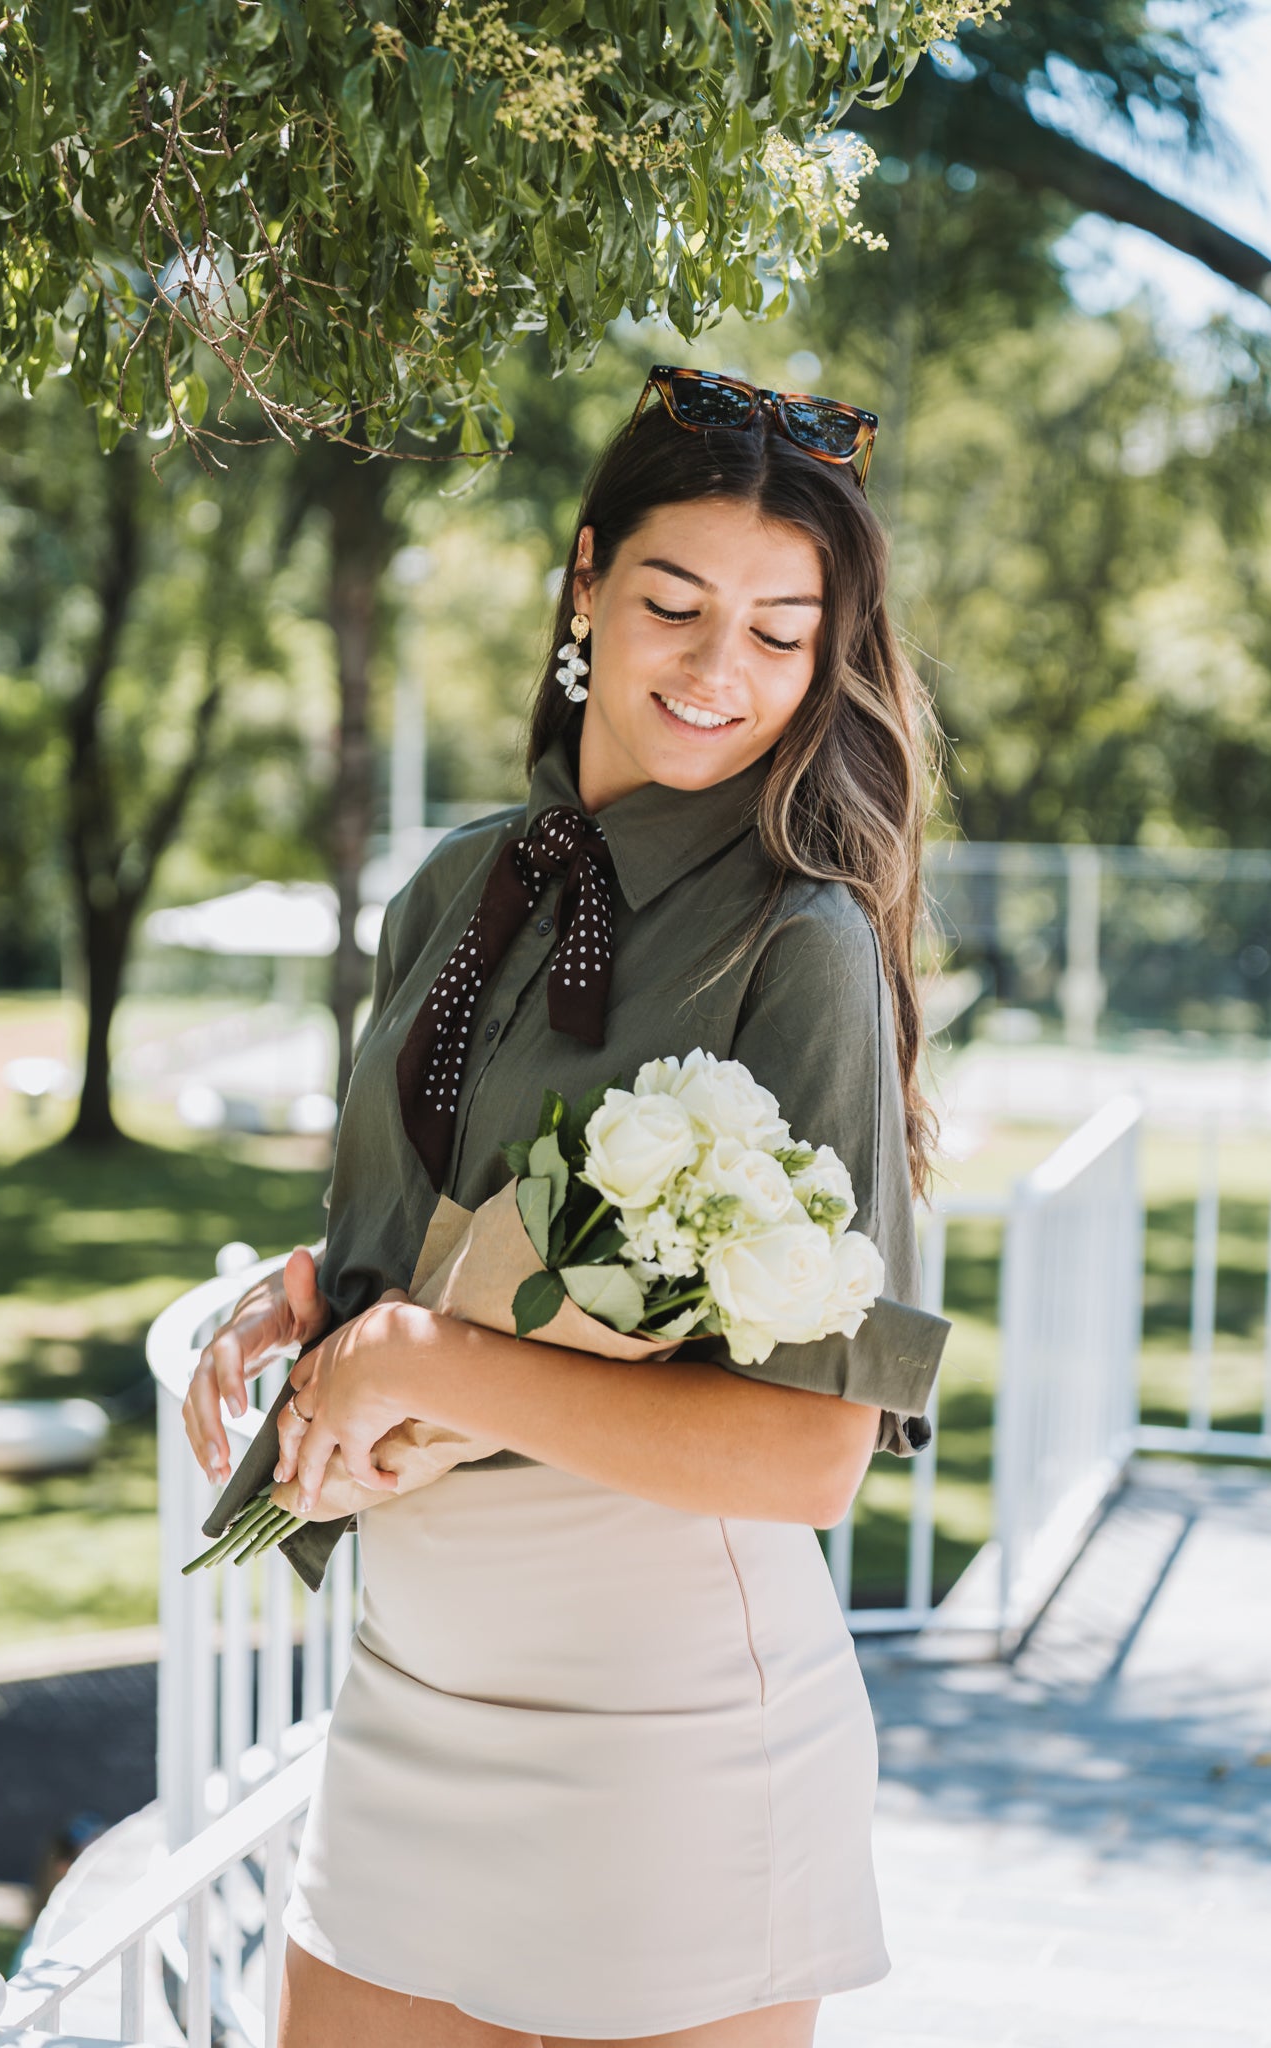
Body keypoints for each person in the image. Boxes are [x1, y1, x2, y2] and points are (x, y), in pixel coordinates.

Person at [182, 364, 953, 2048]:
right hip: (409, 1684)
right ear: (585, 578)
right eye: (674, 604)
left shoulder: (801, 943)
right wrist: (319, 1296)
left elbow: (809, 1456)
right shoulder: (452, 885)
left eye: (778, 633)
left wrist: (422, 1362)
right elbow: (450, 1245)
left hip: (670, 1737)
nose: (717, 669)